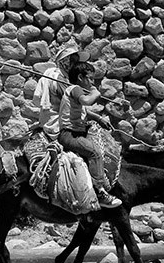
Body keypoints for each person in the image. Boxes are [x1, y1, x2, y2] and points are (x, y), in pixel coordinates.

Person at [33, 44, 121, 209]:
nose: (74, 64)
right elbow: (76, 104)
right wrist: (95, 94)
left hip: (68, 120)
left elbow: (75, 108)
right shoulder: (59, 79)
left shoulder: (66, 82)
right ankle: (99, 189)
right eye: (72, 61)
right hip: (57, 123)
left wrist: (97, 117)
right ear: (65, 62)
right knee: (94, 150)